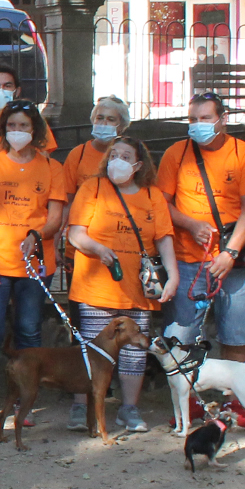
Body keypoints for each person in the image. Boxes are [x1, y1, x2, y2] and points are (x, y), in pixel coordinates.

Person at [157, 91, 245, 427]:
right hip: (188, 258)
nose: (198, 125)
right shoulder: (177, 153)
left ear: (222, 119)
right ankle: (189, 405)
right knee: (183, 334)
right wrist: (190, 224)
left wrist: (230, 253)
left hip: (233, 259)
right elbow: (161, 203)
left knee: (236, 334)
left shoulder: (244, 154)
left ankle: (235, 405)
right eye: (193, 119)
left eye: (205, 118)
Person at [0, 99, 71, 429]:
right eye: (11, 126)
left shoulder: (52, 168)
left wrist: (37, 236)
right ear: (2, 130)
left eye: (24, 126)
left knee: (29, 333)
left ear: (36, 130)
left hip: (35, 266)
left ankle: (22, 403)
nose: (17, 132)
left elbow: (56, 219)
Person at [65, 135, 178, 433]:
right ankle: (82, 406)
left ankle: (129, 408)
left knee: (133, 352)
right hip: (95, 288)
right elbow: (75, 232)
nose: (118, 160)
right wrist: (98, 249)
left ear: (138, 165)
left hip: (136, 290)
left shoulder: (153, 196)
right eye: (114, 154)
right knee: (90, 350)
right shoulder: (93, 188)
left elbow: (164, 239)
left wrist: (173, 274)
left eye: (126, 156)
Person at [0, 63, 59, 156]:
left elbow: (43, 159)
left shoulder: (34, 121)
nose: (1, 91)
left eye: (7, 86)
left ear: (17, 91)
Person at [61, 97, 131, 190]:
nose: (104, 123)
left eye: (111, 119)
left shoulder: (130, 155)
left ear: (121, 126)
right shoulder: (78, 154)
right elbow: (68, 196)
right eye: (100, 118)